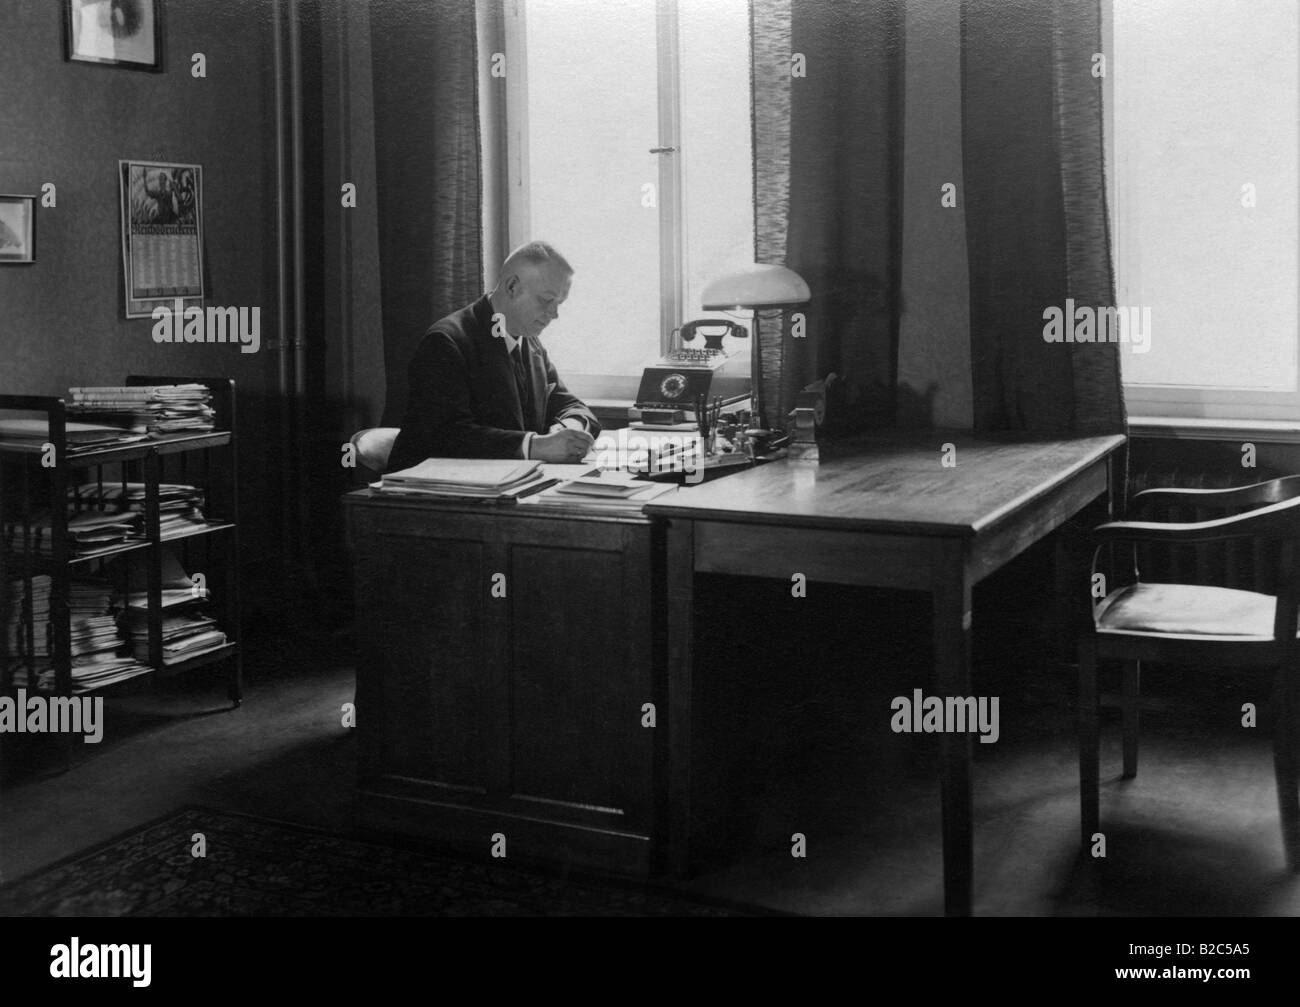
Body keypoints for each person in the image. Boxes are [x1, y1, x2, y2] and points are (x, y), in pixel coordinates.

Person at [386, 242, 600, 470]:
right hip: (425, 497)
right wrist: (535, 446)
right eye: (547, 300)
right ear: (511, 287)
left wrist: (571, 427)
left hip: (502, 485)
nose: (554, 314)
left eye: (559, 303)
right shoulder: (446, 342)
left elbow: (568, 403)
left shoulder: (530, 343)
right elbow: (445, 435)